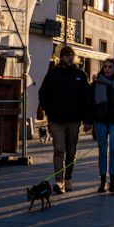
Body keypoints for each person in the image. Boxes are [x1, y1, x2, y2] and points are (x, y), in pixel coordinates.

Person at [36, 44, 92, 193]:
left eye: (72, 56)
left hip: (74, 120)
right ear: (61, 57)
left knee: (71, 152)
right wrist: (50, 111)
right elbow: (43, 94)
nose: (70, 58)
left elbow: (87, 99)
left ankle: (68, 178)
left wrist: (87, 120)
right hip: (56, 120)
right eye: (67, 56)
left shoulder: (81, 75)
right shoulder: (53, 74)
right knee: (59, 150)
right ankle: (59, 181)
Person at [91, 57, 114, 193]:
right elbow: (91, 104)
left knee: (113, 150)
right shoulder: (96, 84)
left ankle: (113, 180)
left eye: (110, 67)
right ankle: (102, 182)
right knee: (102, 152)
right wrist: (89, 122)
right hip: (100, 121)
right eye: (105, 66)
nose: (107, 69)